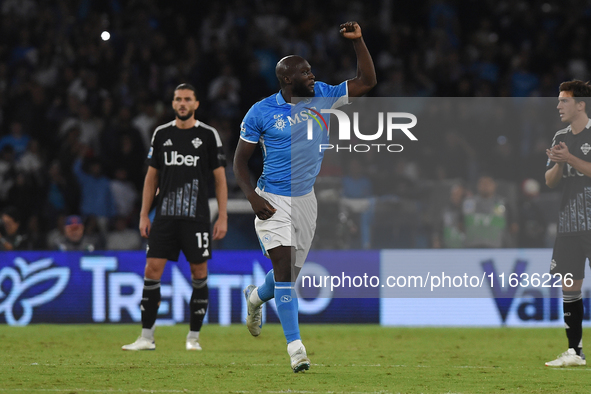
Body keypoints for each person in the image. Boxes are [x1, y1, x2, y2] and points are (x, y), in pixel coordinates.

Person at [233, 21, 376, 372]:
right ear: (286, 78)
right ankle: (296, 349)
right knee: (283, 271)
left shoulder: (324, 95)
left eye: (312, 71)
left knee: (287, 277)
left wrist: (358, 42)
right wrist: (251, 195)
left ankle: (254, 298)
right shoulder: (261, 112)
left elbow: (367, 81)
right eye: (305, 73)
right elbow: (239, 160)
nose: (312, 76)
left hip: (306, 201)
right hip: (272, 200)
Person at [122, 83, 227, 351]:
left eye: (187, 99)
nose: (182, 103)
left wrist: (223, 216)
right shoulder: (161, 134)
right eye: (178, 99)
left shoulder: (208, 135)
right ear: (172, 104)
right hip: (165, 217)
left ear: (196, 104)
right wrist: (144, 214)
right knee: (151, 270)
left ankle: (193, 337)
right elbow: (150, 178)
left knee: (199, 272)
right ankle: (146, 337)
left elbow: (220, 179)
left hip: (197, 217)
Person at [544, 80, 591, 367]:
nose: (559, 105)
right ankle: (575, 351)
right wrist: (559, 163)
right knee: (570, 286)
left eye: (564, 100)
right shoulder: (560, 135)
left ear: (581, 104)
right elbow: (549, 181)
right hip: (570, 225)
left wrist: (570, 158)